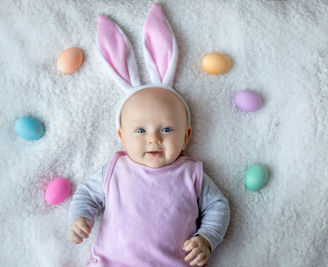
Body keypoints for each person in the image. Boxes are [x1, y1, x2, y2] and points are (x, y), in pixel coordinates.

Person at [68, 4, 230, 266]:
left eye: (166, 129)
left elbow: (218, 206)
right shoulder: (115, 169)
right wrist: (80, 218)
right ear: (122, 136)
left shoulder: (192, 174)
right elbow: (86, 194)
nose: (154, 138)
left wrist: (207, 237)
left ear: (186, 136)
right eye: (140, 131)